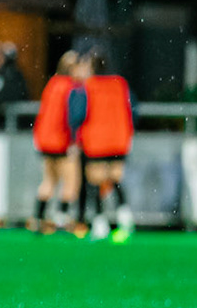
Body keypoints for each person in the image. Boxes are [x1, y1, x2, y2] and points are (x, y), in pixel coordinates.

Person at [78, 54, 135, 242]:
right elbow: (133, 109)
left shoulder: (89, 86)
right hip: (119, 139)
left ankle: (100, 225)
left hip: (96, 141)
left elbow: (79, 113)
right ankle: (125, 220)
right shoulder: (120, 84)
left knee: (95, 183)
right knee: (115, 181)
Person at [27, 51, 81, 233]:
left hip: (45, 140)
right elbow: (72, 117)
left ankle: (37, 218)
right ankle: (61, 218)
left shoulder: (52, 84)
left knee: (49, 181)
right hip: (62, 141)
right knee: (71, 182)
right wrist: (73, 142)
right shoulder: (72, 88)